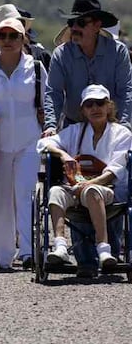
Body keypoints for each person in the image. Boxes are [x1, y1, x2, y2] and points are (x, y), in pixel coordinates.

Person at [0, 18, 48, 270]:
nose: (7, 41)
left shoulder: (36, 68)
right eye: (2, 35)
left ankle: (28, 251)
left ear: (23, 39)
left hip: (28, 141)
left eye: (13, 36)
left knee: (25, 195)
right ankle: (2, 254)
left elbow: (47, 100)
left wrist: (48, 126)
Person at [38, 84, 131, 272]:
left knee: (91, 191)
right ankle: (60, 245)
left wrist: (89, 183)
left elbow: (115, 170)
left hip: (107, 189)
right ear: (83, 110)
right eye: (89, 105)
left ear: (109, 106)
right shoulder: (76, 131)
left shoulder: (122, 133)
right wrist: (63, 155)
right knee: (55, 191)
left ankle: (104, 249)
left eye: (100, 103)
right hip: (76, 187)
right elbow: (43, 143)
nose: (95, 108)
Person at [44, 0, 132, 134]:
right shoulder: (61, 54)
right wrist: (50, 125)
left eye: (80, 22)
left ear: (97, 26)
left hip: (111, 130)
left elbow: (126, 91)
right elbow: (54, 93)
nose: (74, 28)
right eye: (71, 22)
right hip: (72, 128)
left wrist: (124, 126)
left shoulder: (118, 52)